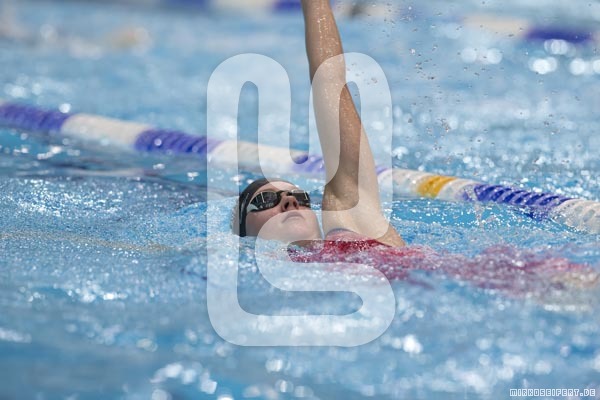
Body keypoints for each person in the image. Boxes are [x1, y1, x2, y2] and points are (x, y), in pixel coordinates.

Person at [233, 0, 404, 247]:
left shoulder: (355, 226)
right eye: (266, 200)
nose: (290, 202)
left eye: (301, 198)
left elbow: (330, 80)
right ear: (241, 232)